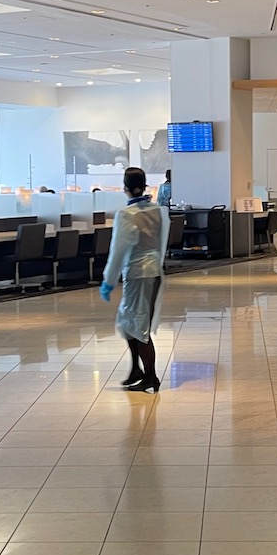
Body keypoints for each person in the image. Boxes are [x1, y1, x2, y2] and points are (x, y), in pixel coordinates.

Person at [99, 167, 170, 393]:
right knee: (128, 322)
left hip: (137, 274)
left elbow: (118, 250)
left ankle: (151, 377)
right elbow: (161, 243)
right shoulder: (157, 210)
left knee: (139, 326)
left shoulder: (126, 215)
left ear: (125, 188)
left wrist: (108, 281)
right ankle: (136, 370)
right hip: (154, 271)